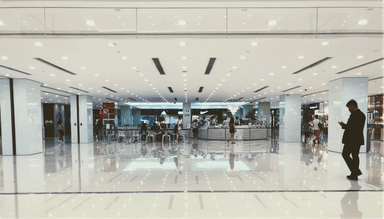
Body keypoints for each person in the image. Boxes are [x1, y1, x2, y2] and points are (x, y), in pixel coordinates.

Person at [338, 99, 366, 180]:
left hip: (352, 139)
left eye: (349, 107)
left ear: (353, 106)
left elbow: (352, 128)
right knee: (355, 155)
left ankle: (355, 171)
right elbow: (354, 127)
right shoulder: (361, 114)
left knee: (345, 154)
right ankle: (354, 174)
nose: (349, 109)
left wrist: (343, 125)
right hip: (357, 139)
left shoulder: (355, 114)